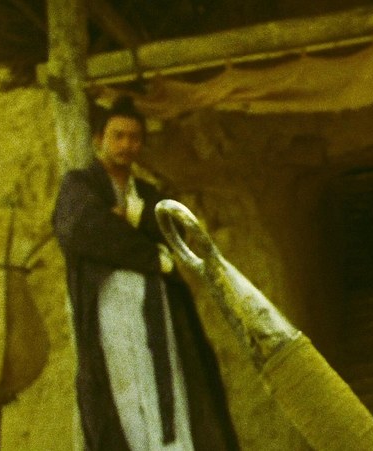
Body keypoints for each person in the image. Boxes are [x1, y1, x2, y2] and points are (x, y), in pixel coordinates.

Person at [53, 97, 240, 450]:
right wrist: (153, 257)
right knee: (122, 394)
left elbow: (173, 230)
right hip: (110, 311)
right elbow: (83, 229)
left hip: (156, 310)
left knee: (168, 387)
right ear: (99, 139)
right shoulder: (80, 186)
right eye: (118, 136)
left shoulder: (147, 194)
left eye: (134, 137)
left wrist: (133, 218)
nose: (126, 145)